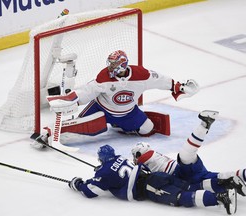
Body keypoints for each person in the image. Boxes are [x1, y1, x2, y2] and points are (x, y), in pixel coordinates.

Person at [39, 50, 199, 145]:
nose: (110, 67)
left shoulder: (141, 75)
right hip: (101, 109)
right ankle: (49, 132)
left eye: (114, 65)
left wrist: (179, 87)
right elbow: (88, 91)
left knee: (148, 130)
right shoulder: (104, 76)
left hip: (128, 112)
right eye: (110, 64)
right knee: (84, 128)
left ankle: (119, 125)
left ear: (123, 65)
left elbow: (161, 80)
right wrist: (71, 99)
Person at [68, 144, 237, 215]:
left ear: (101, 159)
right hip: (156, 176)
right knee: (190, 187)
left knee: (180, 197)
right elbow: (115, 172)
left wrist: (77, 183)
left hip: (149, 187)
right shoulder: (121, 159)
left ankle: (219, 199)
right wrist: (100, 172)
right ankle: (225, 184)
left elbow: (90, 191)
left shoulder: (104, 173)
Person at [131, 110, 246, 197]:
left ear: (138, 154)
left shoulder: (145, 158)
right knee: (216, 177)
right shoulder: (153, 154)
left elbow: (136, 174)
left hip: (180, 174)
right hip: (188, 172)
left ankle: (204, 125)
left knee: (188, 160)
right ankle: (204, 125)